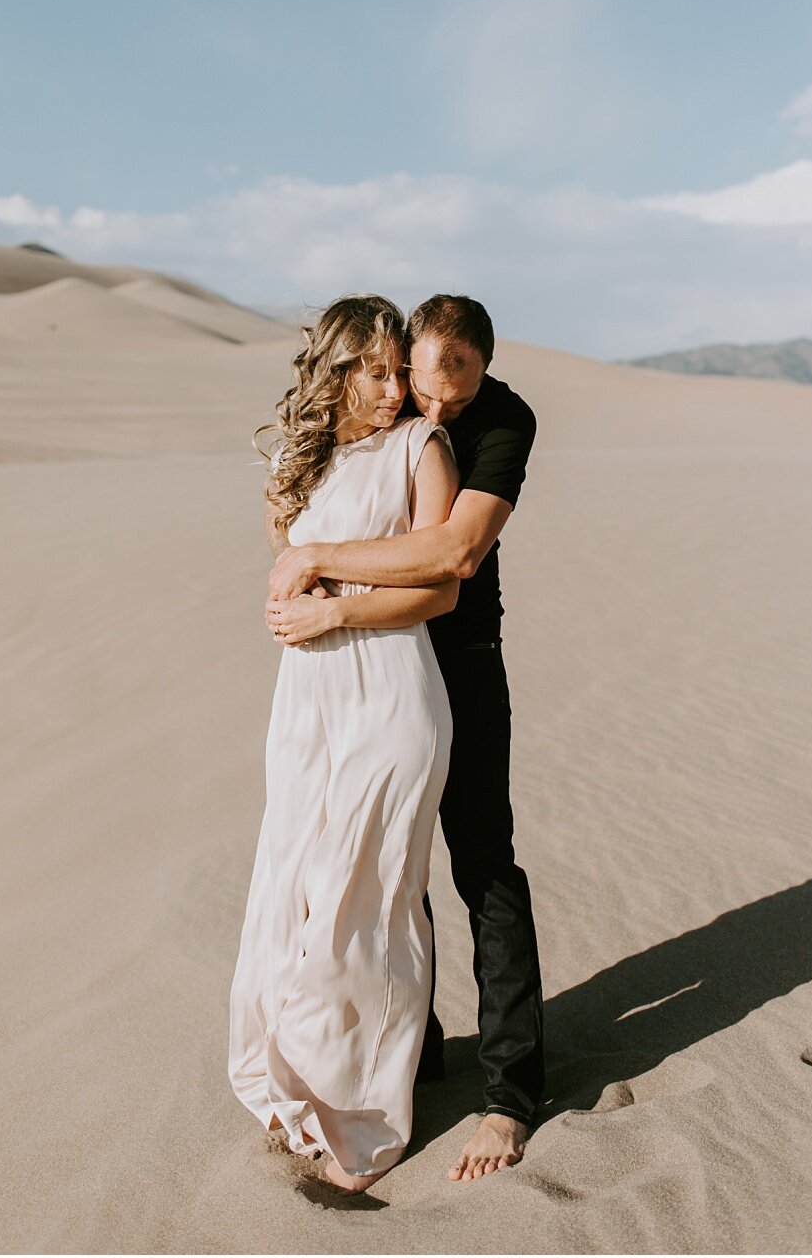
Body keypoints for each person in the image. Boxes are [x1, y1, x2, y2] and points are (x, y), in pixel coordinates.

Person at [267, 294, 545, 1184]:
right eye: (419, 386)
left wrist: (320, 568)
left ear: (481, 371)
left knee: (483, 865)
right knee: (386, 874)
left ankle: (509, 1094)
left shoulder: (501, 421)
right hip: (356, 676)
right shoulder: (387, 409)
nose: (432, 411)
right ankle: (408, 1059)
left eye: (454, 397)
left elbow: (453, 557)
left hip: (458, 663)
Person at [228, 294, 461, 1193]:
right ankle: (297, 1092)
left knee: (365, 904)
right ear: (336, 370)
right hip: (307, 705)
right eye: (377, 369)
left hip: (391, 696)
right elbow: (287, 577)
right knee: (295, 892)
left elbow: (440, 581)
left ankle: (363, 1118)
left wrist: (331, 597)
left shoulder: (421, 448)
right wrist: (292, 609)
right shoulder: (299, 463)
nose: (398, 387)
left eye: (402, 368)